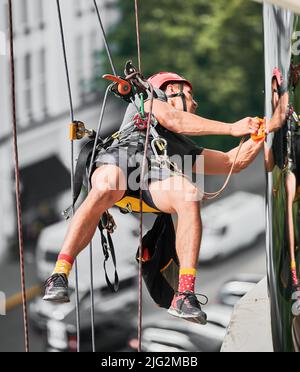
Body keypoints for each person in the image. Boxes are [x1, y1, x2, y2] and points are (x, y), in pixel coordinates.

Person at [43, 71, 287, 324]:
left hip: (149, 180)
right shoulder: (147, 103)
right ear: (170, 91)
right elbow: (174, 119)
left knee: (190, 194)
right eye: (190, 97)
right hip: (120, 161)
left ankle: (184, 293)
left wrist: (260, 132)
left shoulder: (180, 146)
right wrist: (232, 128)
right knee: (107, 186)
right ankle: (59, 274)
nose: (194, 104)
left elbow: (230, 162)